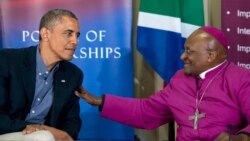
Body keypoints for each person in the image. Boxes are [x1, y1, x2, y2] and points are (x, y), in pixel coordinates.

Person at [75, 26, 250, 141]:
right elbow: (147, 111)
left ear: (211, 55)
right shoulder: (180, 79)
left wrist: (241, 137)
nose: (182, 57)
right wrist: (100, 101)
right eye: (184, 50)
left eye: (189, 51)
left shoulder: (241, 79)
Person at [0, 9, 83, 141]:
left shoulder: (72, 74)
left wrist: (60, 134)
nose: (75, 41)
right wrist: (40, 128)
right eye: (68, 33)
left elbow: (71, 121)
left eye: (77, 35)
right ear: (45, 34)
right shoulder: (7, 60)